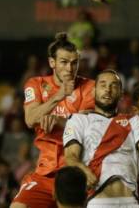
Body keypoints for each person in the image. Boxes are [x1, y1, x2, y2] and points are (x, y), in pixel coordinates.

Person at [63, 69, 139, 208]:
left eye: (113, 86)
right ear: (93, 91)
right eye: (103, 85)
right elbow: (71, 156)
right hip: (99, 201)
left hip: (131, 202)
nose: (108, 89)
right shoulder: (78, 120)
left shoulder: (133, 121)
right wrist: (81, 168)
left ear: (121, 94)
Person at [10, 32, 95, 208]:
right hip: (45, 172)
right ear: (52, 63)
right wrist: (59, 95)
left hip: (76, 172)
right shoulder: (36, 84)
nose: (70, 69)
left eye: (74, 63)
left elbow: (89, 129)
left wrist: (58, 120)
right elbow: (30, 119)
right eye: (64, 62)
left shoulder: (89, 88)